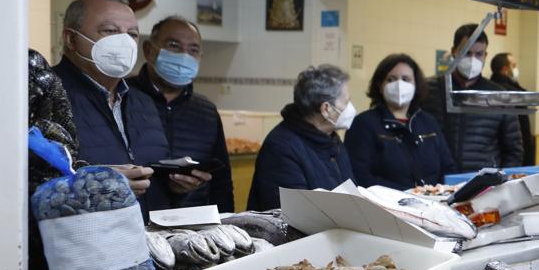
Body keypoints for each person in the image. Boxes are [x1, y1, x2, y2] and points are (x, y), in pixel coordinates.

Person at [53, 0, 183, 217]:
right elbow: (24, 186)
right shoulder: (45, 97)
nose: (124, 42)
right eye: (110, 31)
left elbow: (152, 183)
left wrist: (177, 187)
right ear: (71, 39)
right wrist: (97, 187)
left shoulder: (144, 103)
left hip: (148, 243)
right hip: (82, 244)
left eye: (132, 34)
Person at [130, 16, 234, 212]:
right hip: (137, 221)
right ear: (149, 50)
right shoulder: (123, 97)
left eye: (193, 50)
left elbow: (222, 181)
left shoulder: (206, 111)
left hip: (194, 223)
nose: (184, 56)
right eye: (174, 46)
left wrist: (225, 222)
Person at [248, 65, 355, 210]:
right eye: (347, 102)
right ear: (326, 109)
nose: (351, 107)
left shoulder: (331, 139)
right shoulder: (281, 147)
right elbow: (291, 214)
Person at [421, 24, 524, 172]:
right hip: (436, 184)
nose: (473, 60)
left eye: (479, 54)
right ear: (454, 52)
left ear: (485, 56)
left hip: (482, 184)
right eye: (466, 53)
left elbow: (514, 150)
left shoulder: (500, 96)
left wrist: (498, 181)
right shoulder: (428, 89)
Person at [346, 53, 456, 190]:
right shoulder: (363, 124)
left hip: (432, 203)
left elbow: (448, 168)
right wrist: (406, 194)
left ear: (416, 84)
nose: (399, 85)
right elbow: (360, 175)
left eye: (406, 79)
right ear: (380, 85)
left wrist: (440, 192)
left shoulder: (428, 122)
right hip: (385, 206)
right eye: (391, 79)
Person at [490, 52, 536, 166]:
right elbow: (523, 132)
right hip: (512, 158)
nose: (516, 69)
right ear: (505, 69)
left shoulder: (487, 90)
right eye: (514, 66)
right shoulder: (514, 95)